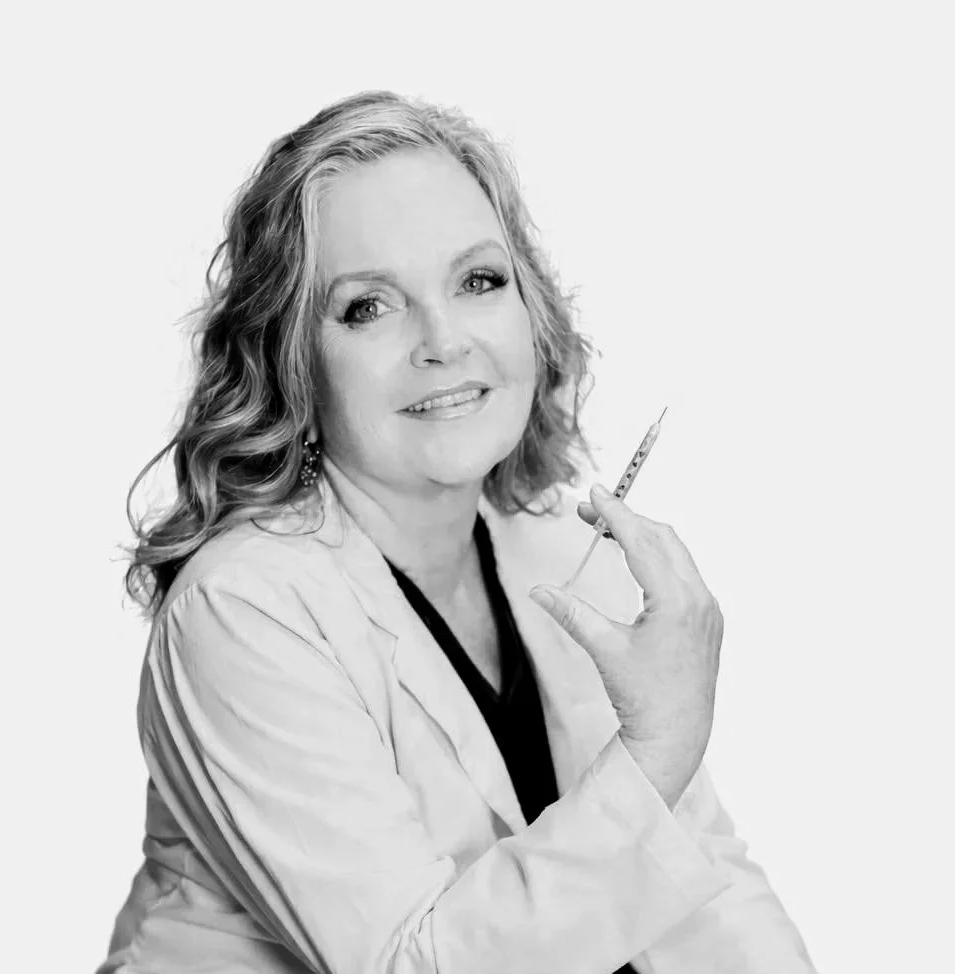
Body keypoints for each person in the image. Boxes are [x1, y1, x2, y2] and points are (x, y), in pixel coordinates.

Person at [98, 90, 816, 973]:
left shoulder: (558, 554)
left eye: (479, 281)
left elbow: (710, 897)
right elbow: (414, 962)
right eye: (368, 306)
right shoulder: (242, 608)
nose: (443, 339)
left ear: (532, 313)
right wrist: (661, 745)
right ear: (292, 365)